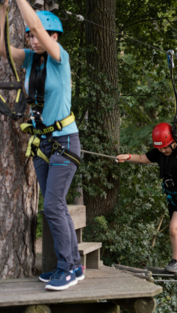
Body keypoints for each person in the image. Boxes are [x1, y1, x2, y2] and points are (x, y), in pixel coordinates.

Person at [0, 2, 83, 290]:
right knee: (54, 206)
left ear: (54, 37)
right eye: (30, 37)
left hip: (64, 141)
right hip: (42, 143)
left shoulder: (60, 57)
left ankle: (66, 270)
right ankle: (74, 265)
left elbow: (35, 24)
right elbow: (2, 48)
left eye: (39, 36)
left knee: (54, 205)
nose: (33, 39)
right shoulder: (31, 60)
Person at [117, 118, 177, 273]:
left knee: (174, 228)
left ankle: (176, 261)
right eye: (160, 148)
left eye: (165, 147)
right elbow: (142, 158)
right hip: (174, 197)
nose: (163, 151)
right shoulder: (159, 152)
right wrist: (127, 157)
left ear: (173, 140)